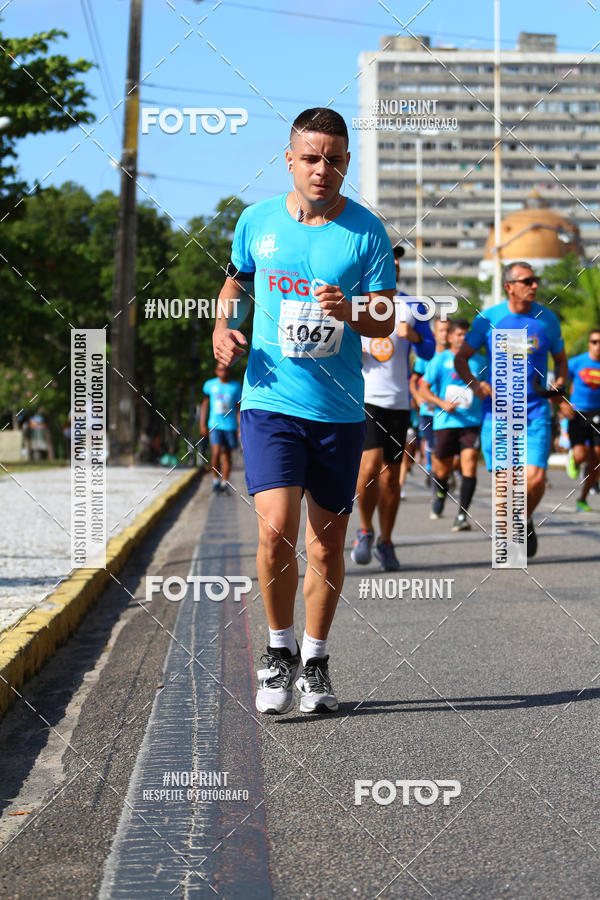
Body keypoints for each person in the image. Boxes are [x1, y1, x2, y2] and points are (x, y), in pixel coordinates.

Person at [212, 108, 396, 714]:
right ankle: (278, 651)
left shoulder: (366, 232)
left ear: (347, 162)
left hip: (339, 411)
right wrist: (223, 326)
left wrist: (350, 310)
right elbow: (235, 284)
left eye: (336, 159)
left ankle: (315, 660)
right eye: (312, 157)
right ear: (289, 159)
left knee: (324, 546)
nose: (323, 169)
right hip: (270, 400)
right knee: (274, 530)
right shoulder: (256, 221)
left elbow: (386, 318)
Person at [454, 261, 567, 557]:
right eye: (527, 281)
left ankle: (523, 519)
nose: (534, 286)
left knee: (537, 479)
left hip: (536, 412)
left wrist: (560, 383)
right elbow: (461, 359)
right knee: (506, 483)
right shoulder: (488, 319)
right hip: (499, 414)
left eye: (535, 280)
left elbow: (562, 360)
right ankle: (509, 536)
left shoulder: (547, 320)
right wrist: (476, 385)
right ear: (509, 286)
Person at [351, 245, 435, 570]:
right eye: (387, 257)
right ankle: (364, 529)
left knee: (390, 478)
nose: (394, 262)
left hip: (399, 402)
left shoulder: (413, 305)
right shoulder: (357, 304)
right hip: (365, 398)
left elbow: (429, 351)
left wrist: (413, 335)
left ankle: (385, 540)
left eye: (397, 258)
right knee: (368, 466)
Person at [419, 319, 487, 530]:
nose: (462, 338)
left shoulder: (480, 361)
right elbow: (423, 389)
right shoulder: (439, 361)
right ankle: (440, 492)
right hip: (445, 421)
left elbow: (488, 388)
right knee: (442, 468)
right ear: (449, 337)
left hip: (471, 421)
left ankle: (462, 515)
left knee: (469, 463)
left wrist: (484, 388)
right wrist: (441, 403)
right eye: (458, 334)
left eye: (466, 335)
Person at [410, 317, 450, 487]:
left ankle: (442, 475)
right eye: (441, 331)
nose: (445, 335)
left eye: (448, 331)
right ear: (434, 333)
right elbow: (413, 380)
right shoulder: (426, 355)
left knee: (450, 456)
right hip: (429, 412)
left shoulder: (457, 356)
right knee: (434, 449)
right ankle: (434, 478)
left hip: (451, 413)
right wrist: (418, 397)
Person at [563, 328, 600, 511]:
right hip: (578, 414)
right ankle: (574, 458)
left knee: (597, 458)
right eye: (594, 342)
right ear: (589, 344)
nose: (598, 346)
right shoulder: (577, 363)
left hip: (598, 414)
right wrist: (563, 404)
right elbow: (560, 381)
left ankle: (583, 498)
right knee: (581, 455)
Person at [200, 363, 242, 494]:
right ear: (216, 371)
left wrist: (241, 427)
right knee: (216, 452)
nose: (223, 372)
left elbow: (238, 408)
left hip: (230, 426)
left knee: (227, 455)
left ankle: (225, 482)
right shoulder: (210, 385)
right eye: (220, 369)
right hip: (215, 425)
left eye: (225, 369)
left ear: (228, 371)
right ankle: (215, 480)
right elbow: (205, 405)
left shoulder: (235, 386)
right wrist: (202, 423)